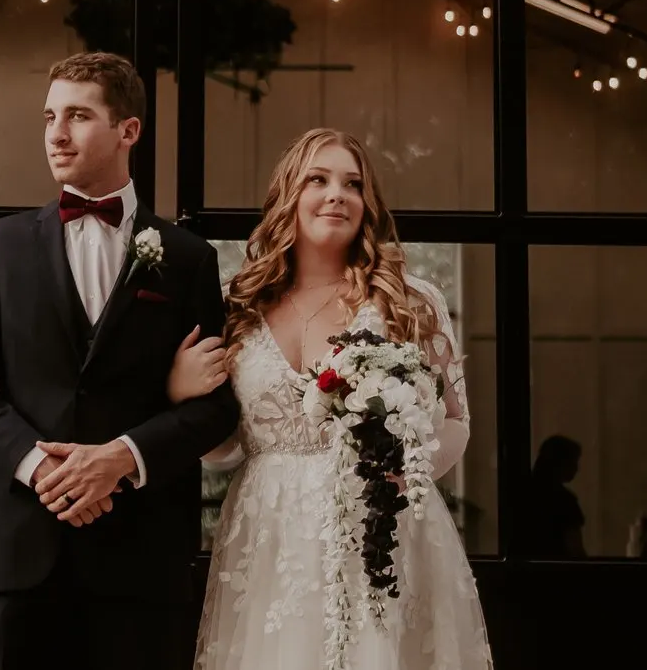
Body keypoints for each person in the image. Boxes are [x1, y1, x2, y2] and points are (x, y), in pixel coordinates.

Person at [0, 51, 241, 670]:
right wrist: (37, 467)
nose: (56, 133)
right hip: (20, 554)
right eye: (50, 116)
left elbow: (216, 409)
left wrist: (121, 459)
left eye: (78, 116)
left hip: (141, 562)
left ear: (128, 130)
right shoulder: (1, 246)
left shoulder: (187, 259)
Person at [164, 128, 494, 669]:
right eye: (317, 179)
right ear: (287, 196)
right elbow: (221, 449)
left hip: (381, 529)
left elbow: (456, 421)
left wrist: (409, 470)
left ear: (368, 204)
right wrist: (180, 391)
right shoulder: (237, 306)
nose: (336, 193)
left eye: (353, 183)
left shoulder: (408, 302)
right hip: (269, 534)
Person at [523, 435, 587, 558]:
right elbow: (575, 550)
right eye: (573, 462)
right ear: (560, 463)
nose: (577, 468)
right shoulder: (565, 501)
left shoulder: (523, 495)